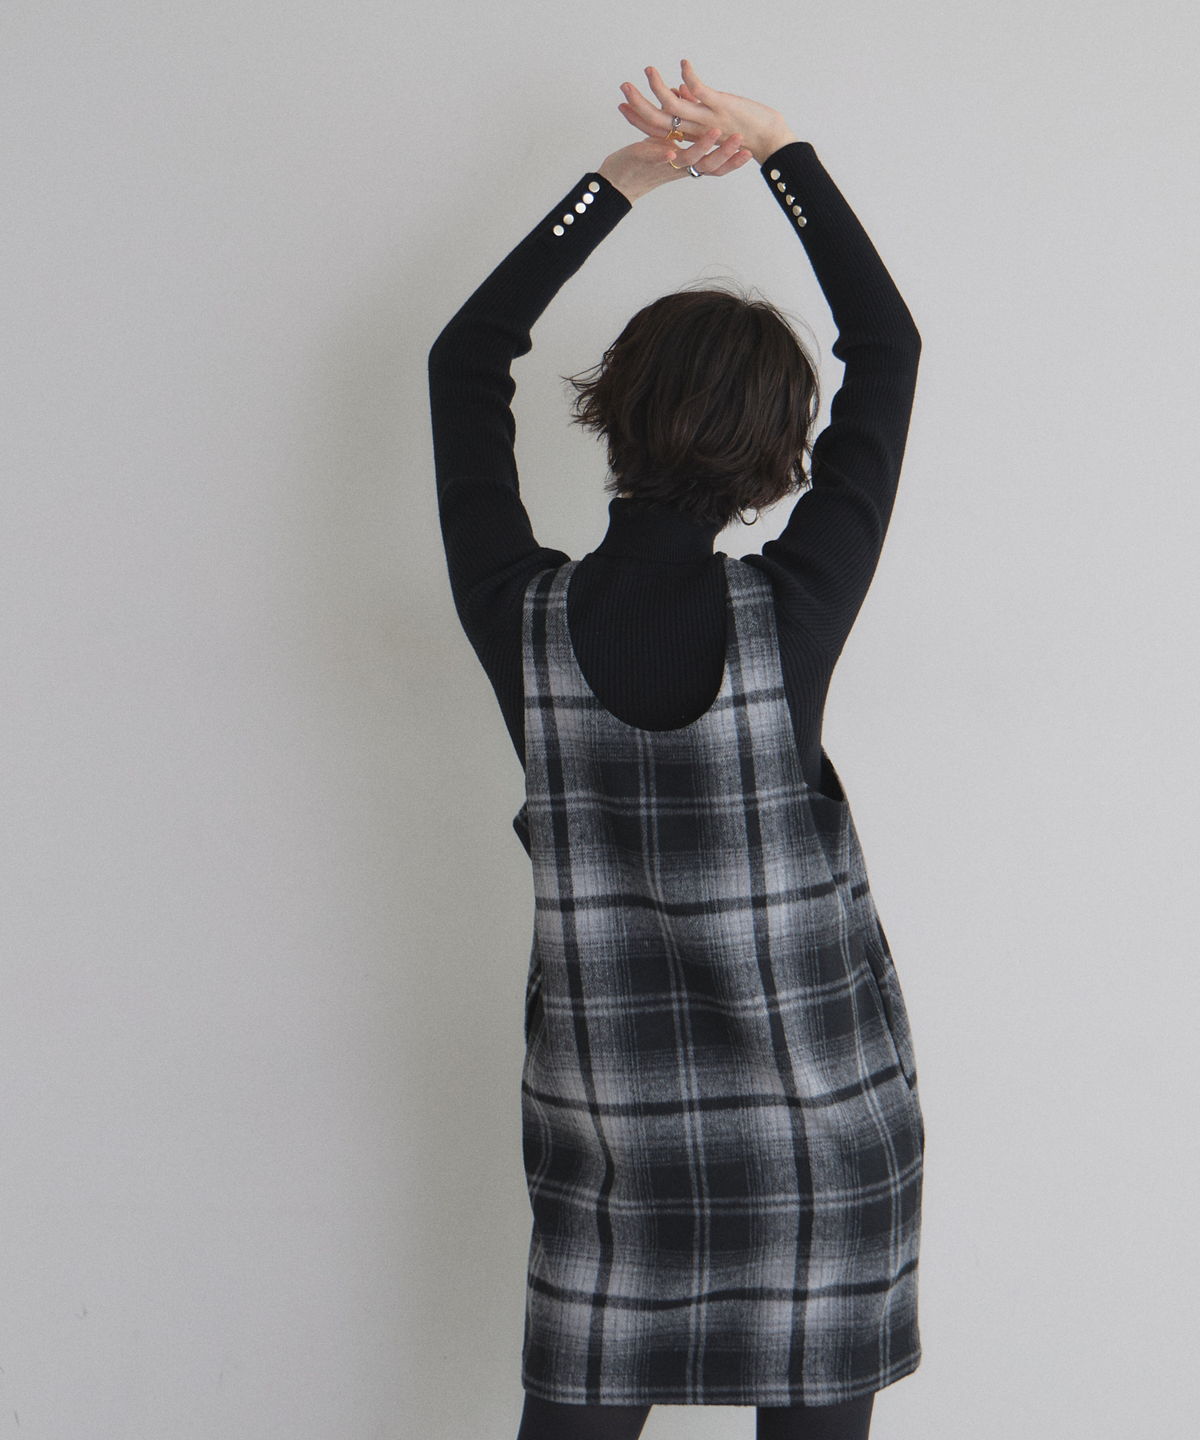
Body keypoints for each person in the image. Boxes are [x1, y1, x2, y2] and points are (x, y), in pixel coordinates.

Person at [428, 59, 925, 1440]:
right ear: (785, 453)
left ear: (612, 408)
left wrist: (619, 185)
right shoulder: (799, 610)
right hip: (823, 1138)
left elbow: (464, 362)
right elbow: (888, 348)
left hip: (612, 1149)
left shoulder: (517, 616)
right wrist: (782, 154)